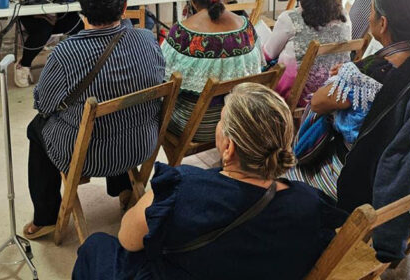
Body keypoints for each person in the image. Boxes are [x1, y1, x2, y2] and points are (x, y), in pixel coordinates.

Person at [71, 83, 347, 280]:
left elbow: (128, 240)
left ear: (228, 147)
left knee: (96, 246)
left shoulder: (183, 188)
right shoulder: (309, 203)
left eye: (221, 121)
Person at [287, 0, 410, 264]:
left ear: (383, 23)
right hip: (409, 179)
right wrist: (349, 73)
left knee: (281, 174)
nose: (369, 18)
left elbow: (319, 102)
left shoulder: (377, 69)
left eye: (371, 12)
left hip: (360, 175)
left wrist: (346, 77)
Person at [22, 0, 166, 240]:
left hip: (88, 158)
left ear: (82, 8)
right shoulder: (148, 40)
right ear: (124, 6)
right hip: (141, 144)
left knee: (36, 128)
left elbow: (44, 104)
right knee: (121, 106)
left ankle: (46, 217)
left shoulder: (66, 54)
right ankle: (125, 189)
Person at [162, 0, 263, 142]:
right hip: (238, 122)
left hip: (192, 127)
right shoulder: (246, 28)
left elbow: (162, 78)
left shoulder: (181, 33)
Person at [263, 0, 351, 107]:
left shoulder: (290, 18)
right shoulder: (344, 16)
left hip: (296, 98)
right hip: (334, 93)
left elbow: (268, 55)